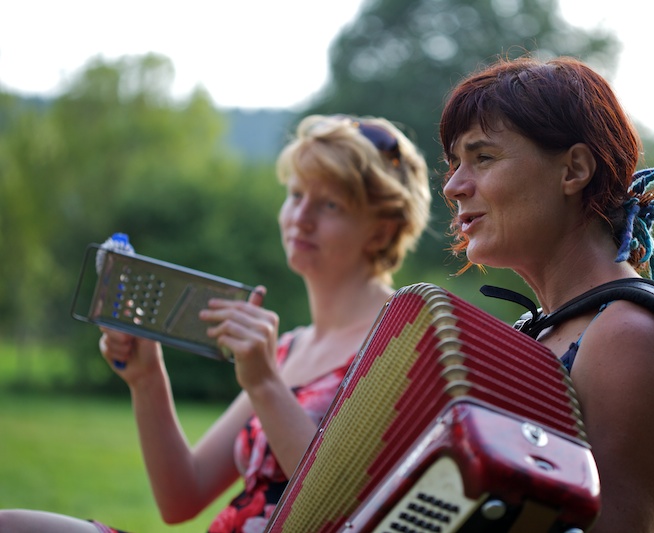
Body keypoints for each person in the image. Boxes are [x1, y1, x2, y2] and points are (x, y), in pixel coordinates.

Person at [0, 114, 431, 533]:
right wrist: (147, 378)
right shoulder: (288, 350)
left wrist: (264, 385)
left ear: (381, 230)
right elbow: (182, 496)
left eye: (330, 204)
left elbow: (354, 512)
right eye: (297, 195)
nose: (301, 217)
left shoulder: (403, 344)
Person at [438, 56, 654, 533]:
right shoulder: (540, 330)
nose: (453, 187)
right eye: (454, 164)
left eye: (482, 157)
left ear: (574, 170)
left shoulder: (626, 332)